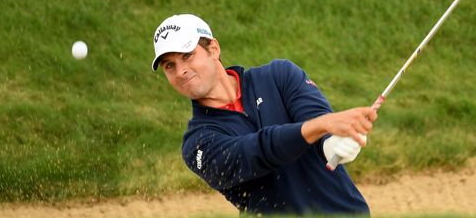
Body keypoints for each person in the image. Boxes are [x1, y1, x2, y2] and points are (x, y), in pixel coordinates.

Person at [151, 13, 377, 215]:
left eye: (187, 56)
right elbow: (254, 152)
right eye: (169, 65)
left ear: (213, 49)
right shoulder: (197, 144)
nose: (180, 71)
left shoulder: (279, 76)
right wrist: (319, 127)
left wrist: (332, 141)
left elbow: (317, 117)